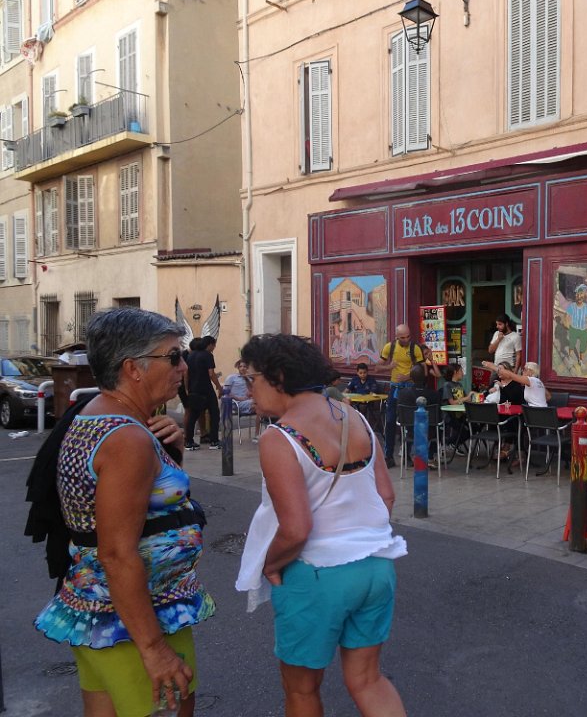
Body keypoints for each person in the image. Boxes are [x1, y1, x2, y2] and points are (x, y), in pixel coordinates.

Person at [34, 307, 215, 717]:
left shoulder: (100, 416)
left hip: (101, 612)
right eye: (173, 356)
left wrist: (170, 454)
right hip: (134, 621)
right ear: (132, 368)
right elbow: (116, 552)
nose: (183, 366)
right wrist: (154, 649)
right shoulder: (127, 438)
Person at [235, 334, 407, 717]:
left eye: (251, 379)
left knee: (301, 690)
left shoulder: (279, 437)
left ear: (279, 377)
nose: (248, 391)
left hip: (316, 572)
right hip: (376, 565)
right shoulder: (354, 417)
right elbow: (386, 496)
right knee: (368, 680)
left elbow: (296, 529)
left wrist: (271, 564)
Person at [379, 324, 434, 468]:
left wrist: (408, 376)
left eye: (408, 336)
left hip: (410, 388)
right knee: (390, 421)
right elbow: (377, 367)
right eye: (403, 337)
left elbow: (423, 371)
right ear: (397, 336)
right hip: (395, 388)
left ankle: (407, 455)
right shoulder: (389, 347)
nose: (406, 339)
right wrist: (389, 367)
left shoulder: (415, 348)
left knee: (410, 423)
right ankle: (388, 456)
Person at [184, 335, 222, 450]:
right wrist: (219, 386)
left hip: (194, 389)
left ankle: (189, 442)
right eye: (214, 346)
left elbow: (186, 374)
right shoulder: (208, 355)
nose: (214, 348)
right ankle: (214, 441)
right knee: (214, 413)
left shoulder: (191, 355)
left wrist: (187, 388)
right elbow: (211, 373)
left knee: (193, 415)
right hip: (206, 389)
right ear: (210, 344)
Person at [486, 361, 550, 408]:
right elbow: (548, 396)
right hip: (543, 411)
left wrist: (495, 368)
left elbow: (511, 375)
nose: (522, 371)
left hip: (535, 412)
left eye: (524, 369)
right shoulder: (539, 382)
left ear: (530, 371)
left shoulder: (530, 380)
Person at [564, 284, 587, 364]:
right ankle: (569, 356)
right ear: (576, 296)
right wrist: (567, 324)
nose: (579, 297)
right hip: (574, 329)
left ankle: (581, 360)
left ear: (583, 296)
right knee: (572, 343)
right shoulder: (572, 306)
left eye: (581, 295)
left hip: (584, 330)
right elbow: (566, 315)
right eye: (578, 295)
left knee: (583, 346)